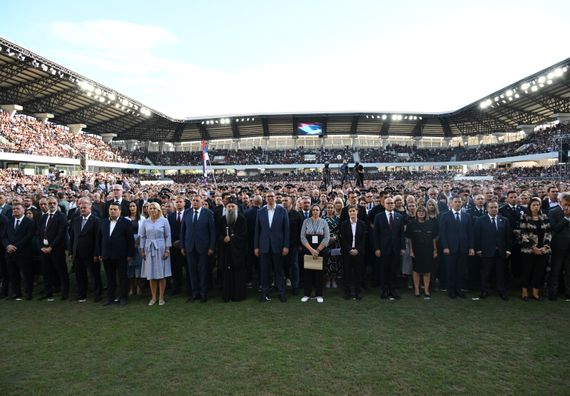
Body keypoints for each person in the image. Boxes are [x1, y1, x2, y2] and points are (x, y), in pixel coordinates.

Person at [254, 191, 290, 303]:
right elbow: (257, 230)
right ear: (265, 198)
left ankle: (281, 293)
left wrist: (286, 246)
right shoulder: (260, 211)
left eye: (272, 196)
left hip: (278, 245)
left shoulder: (282, 210)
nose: (270, 198)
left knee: (279, 271)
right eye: (268, 196)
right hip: (264, 245)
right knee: (264, 271)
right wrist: (256, 246)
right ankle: (264, 293)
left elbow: (286, 230)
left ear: (275, 198)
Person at [97, 202, 136, 306]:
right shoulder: (103, 222)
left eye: (115, 209)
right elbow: (99, 239)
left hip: (121, 255)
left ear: (120, 211)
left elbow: (130, 240)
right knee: (110, 278)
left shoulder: (126, 222)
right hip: (106, 255)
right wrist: (100, 253)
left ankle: (123, 297)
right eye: (111, 209)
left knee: (123, 277)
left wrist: (130, 254)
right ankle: (110, 297)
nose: (112, 211)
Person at [180, 195, 216, 303]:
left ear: (201, 202)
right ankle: (195, 293)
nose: (195, 202)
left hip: (204, 247)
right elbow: (183, 231)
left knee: (203, 270)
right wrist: (182, 246)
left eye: (197, 201)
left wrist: (211, 247)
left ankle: (203, 293)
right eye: (193, 201)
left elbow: (212, 232)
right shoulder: (187, 213)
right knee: (191, 271)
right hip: (189, 246)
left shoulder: (208, 213)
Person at [473, 201, 512, 301]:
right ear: (487, 209)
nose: (494, 209)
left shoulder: (504, 220)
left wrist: (508, 250)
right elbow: (477, 236)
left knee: (500, 273)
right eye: (491, 207)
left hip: (501, 251)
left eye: (495, 207)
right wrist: (478, 249)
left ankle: (501, 291)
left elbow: (508, 237)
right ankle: (484, 290)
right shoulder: (480, 220)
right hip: (486, 251)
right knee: (486, 272)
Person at [439, 196, 475, 299]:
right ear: (451, 203)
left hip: (463, 248)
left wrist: (471, 247)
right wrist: (445, 246)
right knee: (450, 270)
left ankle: (459, 290)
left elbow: (470, 233)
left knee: (461, 271)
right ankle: (451, 291)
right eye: (456, 202)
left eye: (459, 202)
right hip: (450, 248)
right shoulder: (445, 216)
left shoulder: (467, 216)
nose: (458, 203)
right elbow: (443, 233)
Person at [69, 197, 102, 303]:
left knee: (95, 275)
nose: (82, 209)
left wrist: (97, 253)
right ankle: (81, 294)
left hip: (91, 253)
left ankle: (98, 294)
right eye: (81, 208)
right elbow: (73, 237)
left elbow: (98, 239)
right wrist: (71, 252)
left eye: (84, 207)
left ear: (90, 208)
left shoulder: (96, 220)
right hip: (77, 253)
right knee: (80, 275)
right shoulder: (76, 219)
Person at [519, 197, 551, 301]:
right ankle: (524, 292)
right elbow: (523, 234)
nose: (536, 207)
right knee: (527, 271)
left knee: (539, 271)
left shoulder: (544, 216)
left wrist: (545, 246)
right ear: (530, 206)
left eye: (538, 205)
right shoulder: (525, 217)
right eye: (534, 205)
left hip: (543, 250)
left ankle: (535, 292)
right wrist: (534, 247)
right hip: (529, 250)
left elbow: (548, 233)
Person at [374, 197, 406, 300]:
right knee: (384, 270)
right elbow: (376, 234)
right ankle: (385, 290)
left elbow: (401, 233)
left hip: (396, 248)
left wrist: (403, 247)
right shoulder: (379, 217)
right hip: (383, 248)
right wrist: (377, 248)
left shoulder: (399, 216)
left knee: (394, 270)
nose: (391, 205)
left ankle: (393, 290)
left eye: (392, 203)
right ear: (384, 204)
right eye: (388, 203)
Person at [140, 202, 172, 306]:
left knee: (161, 274)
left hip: (161, 247)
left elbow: (168, 235)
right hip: (149, 248)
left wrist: (167, 249)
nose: (152, 210)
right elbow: (143, 236)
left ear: (158, 210)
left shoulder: (164, 221)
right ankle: (153, 297)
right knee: (151, 273)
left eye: (154, 208)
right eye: (151, 208)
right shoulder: (145, 222)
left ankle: (161, 297)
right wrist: (142, 249)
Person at [37, 197, 69, 301]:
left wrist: (51, 247)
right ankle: (48, 292)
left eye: (53, 203)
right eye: (49, 203)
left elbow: (61, 234)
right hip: (44, 249)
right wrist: (41, 247)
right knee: (46, 272)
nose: (51, 205)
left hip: (57, 249)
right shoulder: (43, 217)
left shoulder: (61, 216)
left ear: (57, 204)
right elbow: (39, 233)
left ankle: (65, 292)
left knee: (61, 271)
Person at [2, 203, 36, 300]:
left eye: (17, 208)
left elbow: (28, 237)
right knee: (13, 274)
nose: (15, 210)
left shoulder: (29, 222)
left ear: (23, 210)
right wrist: (7, 245)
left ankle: (28, 293)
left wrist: (16, 246)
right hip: (9, 253)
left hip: (23, 252)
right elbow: (4, 236)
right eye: (13, 209)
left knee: (26, 274)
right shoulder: (9, 221)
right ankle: (17, 293)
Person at [217, 197, 248, 302]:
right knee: (227, 274)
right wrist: (223, 239)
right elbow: (218, 235)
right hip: (226, 252)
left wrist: (232, 238)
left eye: (232, 206)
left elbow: (244, 236)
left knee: (238, 274)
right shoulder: (222, 219)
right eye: (228, 206)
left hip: (238, 252)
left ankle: (238, 295)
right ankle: (227, 295)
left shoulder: (241, 219)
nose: (230, 208)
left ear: (236, 208)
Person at [300, 204, 330, 303]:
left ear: (320, 211)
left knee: (319, 273)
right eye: (314, 210)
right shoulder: (306, 221)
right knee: (308, 273)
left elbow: (327, 237)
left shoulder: (324, 222)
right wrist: (311, 250)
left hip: (320, 250)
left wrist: (317, 250)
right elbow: (302, 237)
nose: (315, 211)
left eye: (317, 210)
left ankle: (319, 294)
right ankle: (307, 294)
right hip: (308, 249)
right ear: (311, 211)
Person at [406, 206, 437, 298]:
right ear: (416, 213)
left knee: (427, 271)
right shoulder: (411, 224)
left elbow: (434, 238)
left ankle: (426, 290)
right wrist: (411, 250)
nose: (421, 213)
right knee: (416, 270)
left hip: (428, 250)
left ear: (426, 213)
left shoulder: (431, 223)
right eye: (419, 211)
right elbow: (410, 239)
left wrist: (435, 250)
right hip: (416, 250)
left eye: (423, 211)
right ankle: (417, 289)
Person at [339, 206, 367, 300]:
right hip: (347, 252)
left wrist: (357, 250)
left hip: (359, 252)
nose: (352, 213)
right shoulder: (344, 224)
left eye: (353, 211)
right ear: (348, 213)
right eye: (350, 211)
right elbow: (343, 239)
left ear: (357, 212)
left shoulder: (362, 224)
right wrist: (350, 249)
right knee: (347, 273)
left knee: (358, 273)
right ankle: (347, 292)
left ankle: (358, 291)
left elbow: (363, 239)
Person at [548, 192, 570, 301]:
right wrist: (566, 218)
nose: (567, 207)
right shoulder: (553, 212)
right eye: (565, 204)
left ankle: (568, 293)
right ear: (560, 202)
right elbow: (554, 228)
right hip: (558, 246)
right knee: (555, 271)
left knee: (568, 272)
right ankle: (553, 293)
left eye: (569, 204)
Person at [167, 195, 190, 296]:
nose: (178, 204)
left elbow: (190, 230)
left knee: (188, 268)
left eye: (180, 202)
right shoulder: (170, 216)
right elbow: (168, 231)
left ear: (184, 203)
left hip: (185, 245)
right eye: (177, 202)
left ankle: (189, 288)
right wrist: (173, 242)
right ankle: (177, 287)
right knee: (176, 269)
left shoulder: (189, 214)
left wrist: (181, 241)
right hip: (173, 246)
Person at [126, 201, 144, 297]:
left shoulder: (142, 219)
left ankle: (138, 287)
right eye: (130, 206)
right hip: (129, 244)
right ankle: (131, 287)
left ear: (137, 208)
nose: (132, 208)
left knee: (139, 266)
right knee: (130, 266)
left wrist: (139, 240)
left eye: (133, 206)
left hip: (139, 244)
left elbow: (144, 232)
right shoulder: (125, 219)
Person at [323, 202, 342, 289]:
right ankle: (327, 280)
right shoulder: (322, 219)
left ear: (334, 208)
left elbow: (340, 231)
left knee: (335, 260)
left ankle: (333, 280)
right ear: (326, 209)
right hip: (324, 243)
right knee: (326, 261)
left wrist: (335, 237)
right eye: (328, 207)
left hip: (335, 243)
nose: (330, 209)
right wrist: (327, 239)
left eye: (331, 207)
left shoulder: (337, 219)